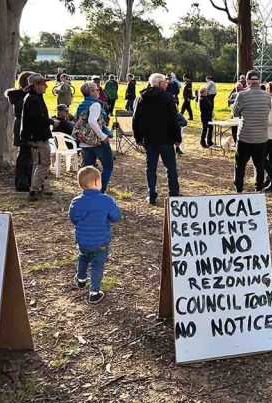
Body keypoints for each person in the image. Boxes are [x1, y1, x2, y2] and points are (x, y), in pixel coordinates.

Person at [69, 166, 122, 304]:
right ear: (97, 183)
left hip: (83, 241)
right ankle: (94, 292)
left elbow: (73, 218)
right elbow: (116, 217)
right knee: (97, 266)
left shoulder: (76, 202)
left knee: (83, 257)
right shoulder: (106, 201)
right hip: (100, 242)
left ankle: (81, 279)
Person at [133, 73, 182, 204]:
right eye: (165, 82)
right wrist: (177, 138)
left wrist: (138, 137)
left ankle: (151, 195)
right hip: (166, 138)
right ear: (160, 83)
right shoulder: (168, 98)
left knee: (151, 168)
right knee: (170, 167)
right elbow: (174, 119)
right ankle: (174, 194)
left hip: (149, 139)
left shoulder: (142, 97)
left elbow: (136, 119)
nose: (167, 84)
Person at [232, 70, 271, 193]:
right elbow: (268, 110)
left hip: (245, 136)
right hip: (261, 137)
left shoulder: (242, 95)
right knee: (259, 166)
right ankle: (258, 189)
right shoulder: (267, 95)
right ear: (258, 80)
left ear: (247, 81)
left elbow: (235, 113)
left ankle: (239, 189)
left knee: (240, 166)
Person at [21, 73, 55, 201]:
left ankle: (38, 187)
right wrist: (51, 122)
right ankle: (34, 190)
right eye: (43, 84)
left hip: (34, 136)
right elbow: (38, 120)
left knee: (38, 163)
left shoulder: (33, 97)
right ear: (36, 85)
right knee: (43, 163)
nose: (46, 86)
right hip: (38, 137)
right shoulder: (34, 99)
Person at [75, 83, 114, 193]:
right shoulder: (95, 105)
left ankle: (87, 191)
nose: (99, 92)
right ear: (91, 92)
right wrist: (103, 136)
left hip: (84, 142)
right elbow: (92, 121)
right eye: (97, 90)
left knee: (88, 169)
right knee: (108, 166)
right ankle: (100, 191)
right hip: (97, 141)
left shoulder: (81, 105)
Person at [6, 71, 34, 192]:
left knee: (26, 155)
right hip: (24, 126)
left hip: (22, 125)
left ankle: (25, 180)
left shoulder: (19, 95)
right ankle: (22, 182)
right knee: (25, 155)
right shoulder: (22, 96)